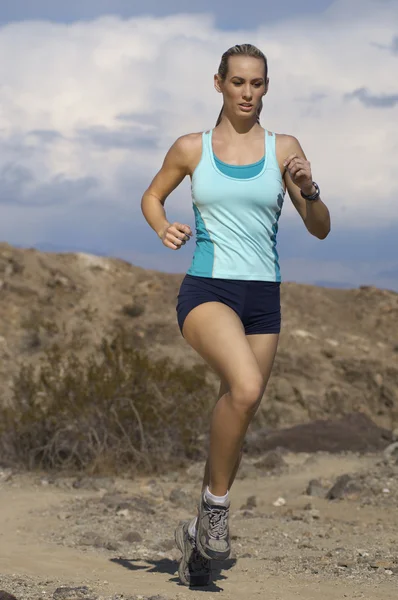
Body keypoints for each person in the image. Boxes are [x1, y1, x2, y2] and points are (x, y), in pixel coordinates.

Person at [141, 43, 331, 587]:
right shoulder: (191, 147)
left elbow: (319, 226)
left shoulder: (284, 148)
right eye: (238, 82)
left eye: (258, 84)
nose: (248, 93)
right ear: (219, 83)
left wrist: (310, 189)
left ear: (266, 87)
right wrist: (164, 227)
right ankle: (219, 508)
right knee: (244, 387)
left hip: (263, 299)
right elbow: (152, 197)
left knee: (238, 411)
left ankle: (203, 537)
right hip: (208, 289)